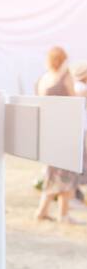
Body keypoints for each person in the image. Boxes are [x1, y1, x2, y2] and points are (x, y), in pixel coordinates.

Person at [35, 47, 80, 223]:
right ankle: (63, 214)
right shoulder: (65, 77)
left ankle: (42, 211)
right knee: (67, 173)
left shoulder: (44, 78)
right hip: (65, 129)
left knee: (52, 172)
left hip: (49, 129)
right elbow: (75, 103)